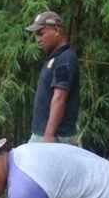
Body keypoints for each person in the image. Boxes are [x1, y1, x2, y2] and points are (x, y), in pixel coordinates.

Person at [25, 11, 81, 144]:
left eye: (41, 33)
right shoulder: (55, 58)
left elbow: (60, 97)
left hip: (54, 137)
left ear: (56, 30)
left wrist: (49, 135)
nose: (38, 39)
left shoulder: (65, 59)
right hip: (44, 135)